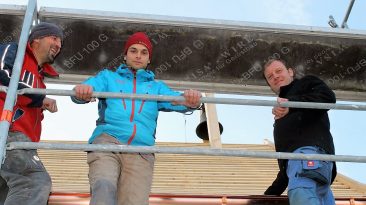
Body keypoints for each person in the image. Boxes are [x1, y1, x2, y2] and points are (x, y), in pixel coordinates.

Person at [71, 32, 201, 205]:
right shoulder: (108, 77)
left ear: (149, 60)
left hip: (141, 151)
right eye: (133, 51)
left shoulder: (156, 87)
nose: (138, 55)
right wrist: (83, 91)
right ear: (125, 56)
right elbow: (86, 88)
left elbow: (177, 100)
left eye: (144, 52)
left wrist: (190, 99)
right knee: (104, 188)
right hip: (108, 143)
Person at [0, 22, 63, 205]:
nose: (58, 45)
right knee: (33, 181)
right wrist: (38, 99)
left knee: (7, 194)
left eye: (60, 42)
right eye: (54, 38)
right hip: (7, 130)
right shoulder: (15, 51)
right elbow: (2, 73)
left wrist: (38, 103)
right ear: (36, 39)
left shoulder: (39, 81)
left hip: (21, 138)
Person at [262, 59, 337, 205]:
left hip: (308, 158)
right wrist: (266, 197)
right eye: (270, 76)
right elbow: (288, 165)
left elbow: (328, 98)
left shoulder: (306, 83)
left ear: (290, 72)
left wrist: (290, 103)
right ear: (269, 84)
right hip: (309, 167)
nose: (275, 76)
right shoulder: (281, 117)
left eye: (278, 71)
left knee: (299, 193)